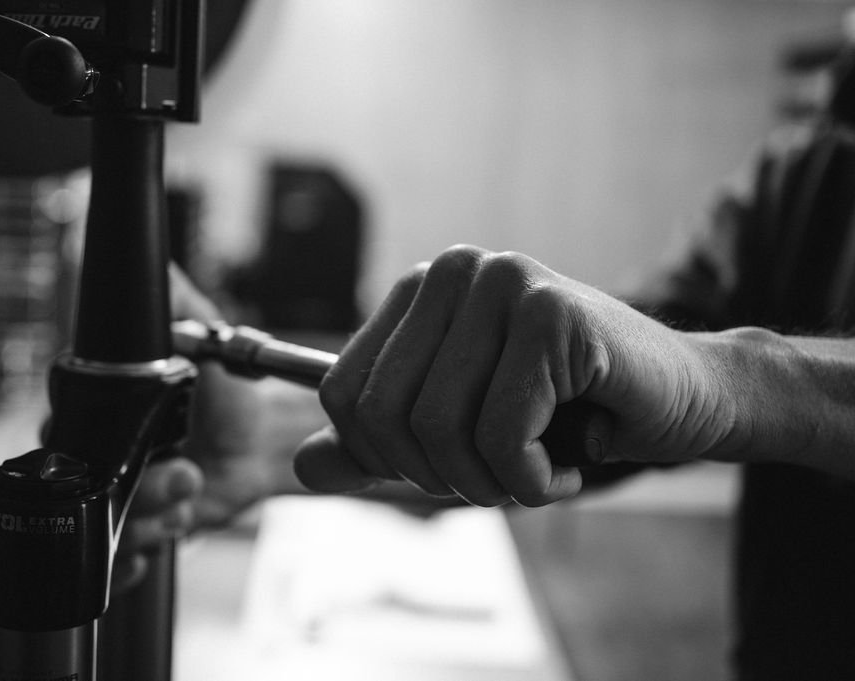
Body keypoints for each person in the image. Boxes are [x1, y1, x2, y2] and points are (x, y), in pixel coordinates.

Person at [130, 53, 855, 681]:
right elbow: (586, 389)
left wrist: (740, 379)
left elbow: (697, 373)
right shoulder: (809, 173)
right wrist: (265, 436)